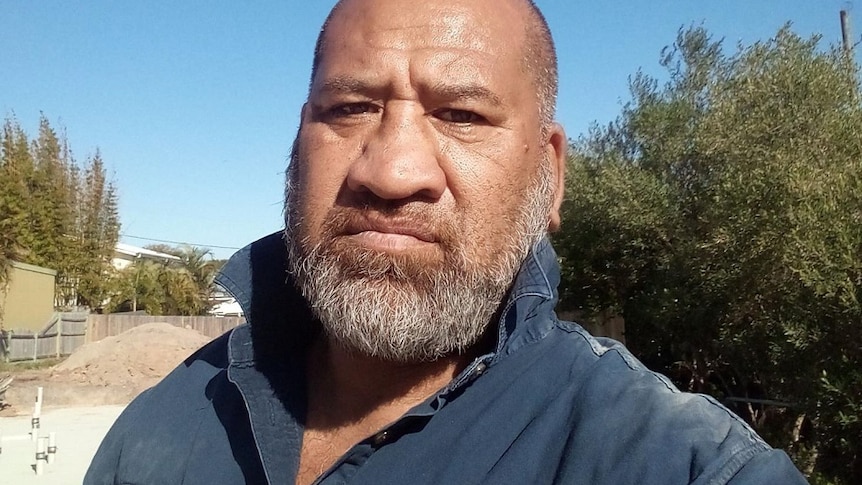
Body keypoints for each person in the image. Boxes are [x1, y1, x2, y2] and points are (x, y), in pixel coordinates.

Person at [85, 0, 809, 483]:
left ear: (549, 176)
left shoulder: (678, 464)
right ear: (298, 143)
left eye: (460, 114)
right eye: (350, 107)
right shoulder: (163, 425)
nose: (392, 172)